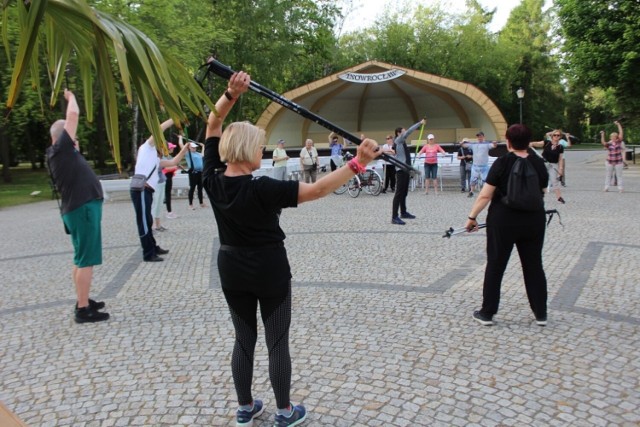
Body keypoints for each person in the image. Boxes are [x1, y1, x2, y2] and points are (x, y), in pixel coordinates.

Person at [201, 70, 380, 427]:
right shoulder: (263, 187)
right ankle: (284, 412)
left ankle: (245, 407)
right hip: (269, 270)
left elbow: (213, 123)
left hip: (232, 269)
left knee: (243, 339)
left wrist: (230, 94)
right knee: (277, 342)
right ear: (246, 149)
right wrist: (358, 163)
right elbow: (317, 190)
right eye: (258, 146)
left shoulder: (211, 179)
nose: (262, 151)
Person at [465, 124, 549, 327]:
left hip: (503, 220)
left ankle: (487, 312)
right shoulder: (538, 163)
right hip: (533, 220)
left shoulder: (502, 162)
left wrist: (472, 217)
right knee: (534, 265)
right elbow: (543, 190)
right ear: (529, 142)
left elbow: (485, 194)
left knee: (496, 264)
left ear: (508, 141)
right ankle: (540, 313)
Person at [46, 89, 109, 323]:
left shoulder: (61, 154)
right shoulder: (61, 150)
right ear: (62, 136)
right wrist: (70, 96)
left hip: (80, 208)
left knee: (81, 257)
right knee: (86, 259)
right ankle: (83, 309)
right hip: (82, 209)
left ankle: (83, 299)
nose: (75, 139)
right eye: (72, 136)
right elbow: (73, 115)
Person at [131, 119, 189, 262]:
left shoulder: (157, 160)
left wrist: (184, 149)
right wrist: (173, 118)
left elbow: (173, 162)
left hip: (147, 191)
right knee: (144, 222)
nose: (165, 148)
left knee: (148, 219)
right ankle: (148, 253)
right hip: (141, 190)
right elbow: (159, 129)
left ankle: (153, 246)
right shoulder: (147, 148)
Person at [391, 118, 426, 225]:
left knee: (404, 192)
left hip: (406, 170)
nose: (405, 133)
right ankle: (394, 217)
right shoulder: (398, 140)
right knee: (398, 193)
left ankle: (403, 212)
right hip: (401, 170)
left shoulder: (402, 142)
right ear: (398, 133)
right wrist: (419, 123)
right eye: (403, 131)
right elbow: (410, 131)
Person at [530, 130, 565, 203]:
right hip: (543, 163)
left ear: (560, 137)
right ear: (552, 136)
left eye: (558, 135)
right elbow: (537, 143)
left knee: (554, 180)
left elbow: (560, 159)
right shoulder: (547, 143)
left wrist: (560, 169)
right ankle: (534, 196)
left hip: (553, 164)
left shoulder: (560, 147)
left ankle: (559, 197)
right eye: (554, 135)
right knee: (538, 178)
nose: (556, 136)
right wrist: (531, 144)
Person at [466, 131, 497, 197]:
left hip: (484, 166)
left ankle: (485, 192)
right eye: (478, 136)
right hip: (475, 166)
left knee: (485, 180)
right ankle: (471, 192)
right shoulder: (473, 144)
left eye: (480, 136)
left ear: (483, 137)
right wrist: (462, 143)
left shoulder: (487, 144)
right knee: (473, 179)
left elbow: (494, 146)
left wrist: (494, 143)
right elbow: (465, 145)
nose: (479, 138)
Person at [181, 137, 206, 209]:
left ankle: (201, 203)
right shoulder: (188, 154)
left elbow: (203, 155)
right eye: (193, 147)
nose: (194, 148)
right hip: (193, 173)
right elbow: (181, 146)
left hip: (200, 173)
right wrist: (180, 139)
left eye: (195, 147)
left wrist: (203, 146)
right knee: (192, 188)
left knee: (200, 188)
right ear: (189, 147)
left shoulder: (197, 153)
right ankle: (190, 204)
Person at [601, 121, 625, 193]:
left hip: (618, 161)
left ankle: (620, 188)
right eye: (612, 136)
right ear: (610, 137)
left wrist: (618, 124)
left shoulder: (619, 141)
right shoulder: (609, 143)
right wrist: (602, 135)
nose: (613, 137)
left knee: (619, 175)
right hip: (609, 161)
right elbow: (603, 143)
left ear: (616, 137)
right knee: (608, 175)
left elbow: (621, 132)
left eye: (614, 136)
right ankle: (606, 187)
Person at [164, 143, 179, 219]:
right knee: (167, 195)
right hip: (165, 177)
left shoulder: (169, 157)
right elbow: (165, 169)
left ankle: (169, 211)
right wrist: (175, 167)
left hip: (169, 177)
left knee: (168, 194)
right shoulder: (164, 157)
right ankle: (169, 212)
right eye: (172, 148)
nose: (173, 149)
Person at [151, 165, 167, 231]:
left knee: (159, 205)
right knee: (155, 205)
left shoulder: (159, 157)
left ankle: (158, 225)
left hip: (161, 181)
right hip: (155, 183)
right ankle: (151, 227)